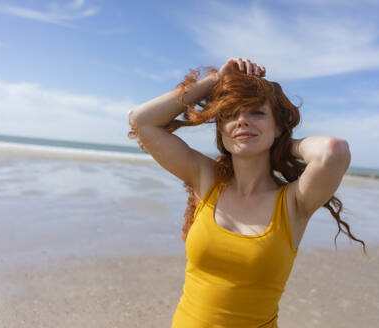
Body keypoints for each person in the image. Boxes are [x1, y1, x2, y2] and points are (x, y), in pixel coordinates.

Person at [126, 57, 366, 327]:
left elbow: (333, 152)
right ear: (222, 130)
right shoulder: (205, 180)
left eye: (256, 112)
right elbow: (141, 120)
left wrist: (278, 142)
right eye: (230, 114)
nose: (241, 121)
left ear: (278, 127)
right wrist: (215, 81)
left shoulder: (293, 203)